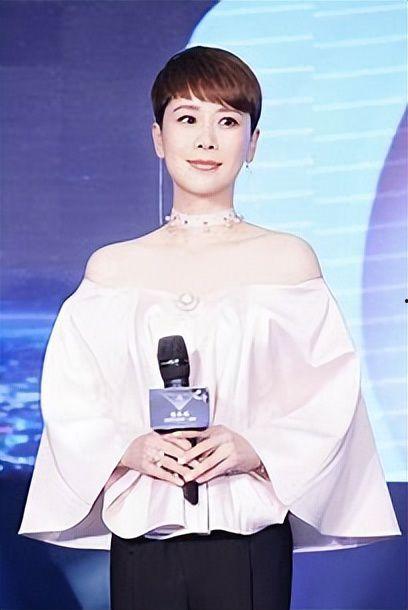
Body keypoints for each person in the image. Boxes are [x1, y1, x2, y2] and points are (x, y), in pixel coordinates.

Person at [18, 46, 401, 610]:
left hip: (248, 534)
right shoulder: (112, 268)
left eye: (227, 121)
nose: (206, 140)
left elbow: (328, 394)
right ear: (158, 137)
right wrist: (128, 448)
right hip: (143, 532)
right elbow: (73, 396)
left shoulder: (288, 260)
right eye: (187, 118)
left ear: (253, 143)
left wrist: (256, 447)